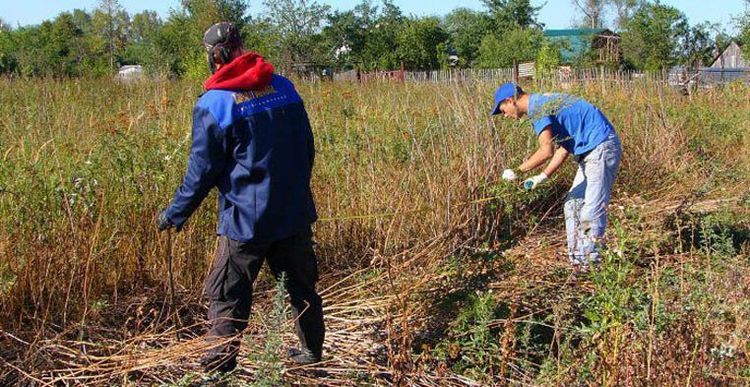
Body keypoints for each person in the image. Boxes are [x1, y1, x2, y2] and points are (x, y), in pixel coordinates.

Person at [156, 22, 324, 372]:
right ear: (240, 47)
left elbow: (201, 171)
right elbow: (307, 148)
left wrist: (175, 213)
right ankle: (311, 352)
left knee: (227, 295)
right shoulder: (285, 87)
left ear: (215, 56)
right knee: (301, 286)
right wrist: (292, 192)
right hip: (293, 213)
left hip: (246, 222)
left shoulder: (215, 103)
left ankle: (219, 369)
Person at [491, 82, 622, 269]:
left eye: (503, 110)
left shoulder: (537, 108)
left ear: (510, 100)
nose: (505, 116)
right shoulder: (542, 103)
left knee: (590, 211)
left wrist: (517, 172)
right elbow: (563, 149)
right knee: (573, 205)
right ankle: (578, 259)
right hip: (590, 153)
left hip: (601, 148)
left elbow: (546, 151)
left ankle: (591, 264)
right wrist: (541, 177)